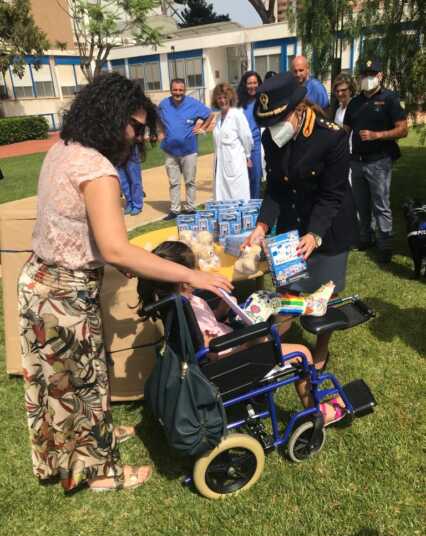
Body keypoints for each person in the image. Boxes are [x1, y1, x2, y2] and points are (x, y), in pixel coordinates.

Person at [17, 73, 232, 494]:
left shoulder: (63, 148)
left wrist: (117, 257)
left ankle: (81, 445)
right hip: (64, 292)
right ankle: (99, 472)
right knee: (83, 380)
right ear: (111, 117)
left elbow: (81, 230)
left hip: (38, 280)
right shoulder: (97, 170)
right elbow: (117, 249)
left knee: (58, 381)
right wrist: (193, 275)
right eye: (135, 127)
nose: (138, 137)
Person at [138, 241, 346, 425]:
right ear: (182, 279)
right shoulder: (187, 308)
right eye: (194, 269)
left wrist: (222, 308)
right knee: (303, 353)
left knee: (262, 299)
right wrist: (249, 342)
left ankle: (308, 305)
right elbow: (211, 351)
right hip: (234, 356)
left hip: (231, 338)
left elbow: (209, 322)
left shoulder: (180, 303)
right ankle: (317, 412)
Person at [245, 72, 357, 371]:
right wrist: (262, 225)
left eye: (277, 120)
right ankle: (276, 346)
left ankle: (320, 352)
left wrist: (315, 234)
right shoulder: (272, 137)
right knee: (287, 289)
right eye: (268, 123)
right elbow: (276, 187)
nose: (273, 129)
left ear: (298, 110)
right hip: (292, 223)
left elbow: (332, 195)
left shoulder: (332, 136)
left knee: (325, 296)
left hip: (329, 226)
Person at [344, 58, 408, 262]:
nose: (367, 78)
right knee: (361, 204)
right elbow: (345, 130)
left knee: (381, 203)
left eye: (372, 74)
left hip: (379, 160)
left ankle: (385, 243)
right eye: (364, 74)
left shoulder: (389, 99)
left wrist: (377, 135)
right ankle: (366, 237)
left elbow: (403, 129)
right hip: (357, 161)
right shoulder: (354, 102)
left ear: (380, 75)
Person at [158, 79, 214, 220]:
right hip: (170, 151)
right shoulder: (164, 104)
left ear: (185, 90)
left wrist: (203, 128)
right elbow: (157, 118)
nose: (178, 93)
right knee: (174, 183)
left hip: (189, 150)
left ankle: (190, 208)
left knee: (190, 181)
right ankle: (175, 210)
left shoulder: (193, 104)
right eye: (175, 90)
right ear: (171, 90)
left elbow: (210, 114)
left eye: (180, 90)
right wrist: (161, 131)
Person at [211, 82, 253, 201]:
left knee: (237, 197)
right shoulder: (218, 118)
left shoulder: (237, 115)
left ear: (230, 98)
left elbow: (247, 137)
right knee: (222, 198)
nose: (222, 101)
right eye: (219, 98)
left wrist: (248, 156)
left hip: (235, 165)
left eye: (225, 97)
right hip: (220, 165)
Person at [237, 71, 263, 199]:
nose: (252, 86)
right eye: (249, 83)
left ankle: (255, 204)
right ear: (244, 85)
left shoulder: (263, 101)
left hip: (256, 144)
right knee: (241, 178)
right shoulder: (238, 103)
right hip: (240, 146)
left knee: (255, 177)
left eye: (255, 83)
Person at [117, 144, 144, 215]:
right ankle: (129, 201)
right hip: (117, 149)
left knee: (135, 178)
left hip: (130, 148)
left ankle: (137, 205)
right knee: (123, 180)